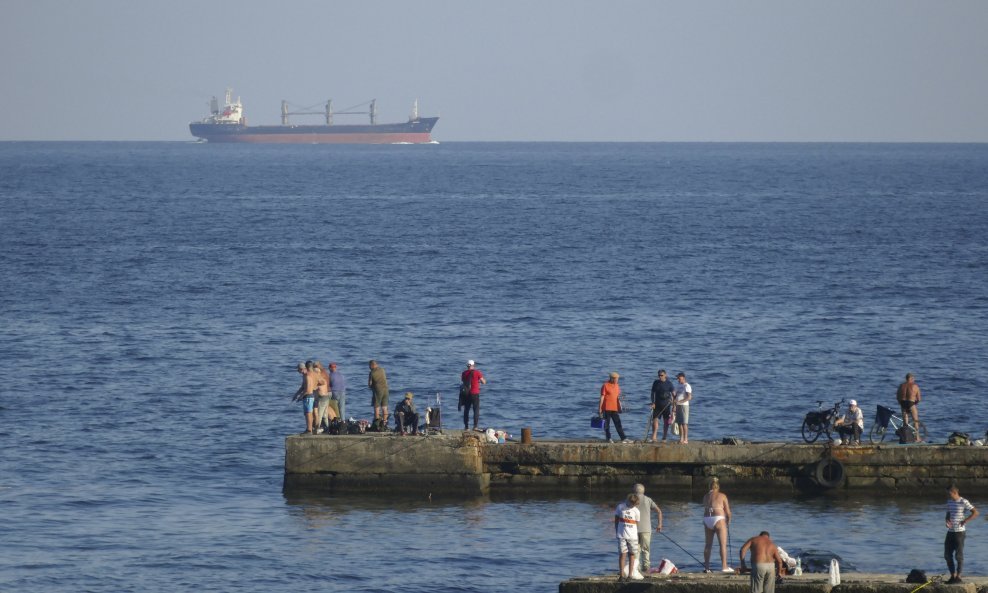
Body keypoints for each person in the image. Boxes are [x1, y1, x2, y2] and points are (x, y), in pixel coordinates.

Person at [944, 484, 979, 584]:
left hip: (960, 532)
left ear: (954, 492)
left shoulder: (964, 501)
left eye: (949, 493)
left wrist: (966, 521)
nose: (948, 495)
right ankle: (952, 576)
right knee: (947, 555)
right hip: (950, 532)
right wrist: (947, 521)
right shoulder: (949, 502)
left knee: (958, 555)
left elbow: (976, 512)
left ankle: (958, 577)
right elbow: (948, 514)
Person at [703, 477, 733, 573]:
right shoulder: (722, 496)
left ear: (710, 486)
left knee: (708, 545)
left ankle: (707, 567)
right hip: (719, 519)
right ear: (718, 486)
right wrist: (729, 520)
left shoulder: (705, 496)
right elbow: (728, 512)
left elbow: (706, 508)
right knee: (723, 545)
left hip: (707, 519)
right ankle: (724, 566)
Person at [633, 483, 663, 575]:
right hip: (646, 529)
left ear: (634, 491)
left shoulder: (632, 499)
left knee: (636, 550)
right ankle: (646, 568)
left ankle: (636, 569)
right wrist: (659, 524)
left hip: (634, 528)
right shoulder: (648, 500)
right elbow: (659, 511)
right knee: (646, 550)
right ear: (643, 491)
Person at [614, 493, 644, 581]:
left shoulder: (636, 511)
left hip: (633, 537)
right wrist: (617, 531)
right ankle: (622, 575)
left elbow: (636, 524)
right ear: (629, 501)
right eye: (633, 503)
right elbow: (616, 519)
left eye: (635, 504)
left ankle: (630, 575)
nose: (633, 505)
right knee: (622, 554)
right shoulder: (620, 507)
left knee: (632, 554)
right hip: (621, 535)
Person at [599, 372, 629, 443]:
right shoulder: (605, 385)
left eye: (617, 379)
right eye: (616, 379)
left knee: (618, 423)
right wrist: (600, 408)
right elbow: (602, 397)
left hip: (615, 408)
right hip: (606, 408)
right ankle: (608, 438)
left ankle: (623, 438)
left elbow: (618, 398)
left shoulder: (617, 386)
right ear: (611, 378)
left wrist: (620, 407)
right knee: (606, 424)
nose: (617, 380)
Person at [291, 361, 319, 435]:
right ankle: (311, 429)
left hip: (308, 397)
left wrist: (301, 396)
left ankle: (309, 430)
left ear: (302, 369)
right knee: (308, 413)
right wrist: (296, 394)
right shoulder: (304, 376)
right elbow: (303, 387)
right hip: (310, 396)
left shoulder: (307, 376)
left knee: (308, 413)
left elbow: (308, 390)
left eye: (298, 370)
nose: (297, 371)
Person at [649, 370, 676, 443]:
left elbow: (674, 395)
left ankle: (664, 437)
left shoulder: (669, 383)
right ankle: (654, 437)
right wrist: (653, 402)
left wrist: (674, 405)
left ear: (665, 375)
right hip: (657, 404)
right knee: (655, 421)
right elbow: (652, 393)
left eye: (661, 375)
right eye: (659, 375)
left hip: (666, 405)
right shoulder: (656, 382)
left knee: (666, 422)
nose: (660, 377)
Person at [461, 360, 487, 430]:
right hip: (475, 393)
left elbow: (463, 381)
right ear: (473, 365)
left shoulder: (464, 373)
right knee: (476, 410)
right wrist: (479, 381)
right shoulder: (477, 372)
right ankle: (475, 426)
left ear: (467, 366)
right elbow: (484, 382)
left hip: (466, 394)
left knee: (466, 410)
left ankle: (466, 427)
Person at [896, 372, 922, 441]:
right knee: (915, 420)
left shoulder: (901, 386)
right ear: (911, 378)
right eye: (913, 379)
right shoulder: (915, 386)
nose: (914, 380)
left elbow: (898, 397)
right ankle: (917, 437)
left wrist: (901, 403)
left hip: (903, 403)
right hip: (911, 403)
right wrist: (914, 404)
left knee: (905, 422)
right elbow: (919, 399)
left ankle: (905, 437)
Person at [312, 361, 333, 433]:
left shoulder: (320, 377)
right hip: (327, 395)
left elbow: (318, 384)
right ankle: (328, 428)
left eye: (315, 367)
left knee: (319, 414)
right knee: (325, 414)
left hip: (323, 397)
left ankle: (317, 428)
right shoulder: (324, 373)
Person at [368, 360, 389, 425]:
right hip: (386, 390)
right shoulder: (382, 370)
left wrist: (371, 387)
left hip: (378, 391)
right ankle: (385, 422)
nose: (369, 367)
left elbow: (369, 384)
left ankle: (377, 422)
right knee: (384, 407)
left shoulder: (372, 372)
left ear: (372, 365)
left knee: (376, 407)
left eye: (369, 366)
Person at [674, 372, 692, 444]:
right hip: (678, 405)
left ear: (683, 378)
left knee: (684, 423)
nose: (678, 379)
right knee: (679, 423)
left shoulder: (687, 386)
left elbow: (689, 397)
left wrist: (681, 401)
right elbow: (675, 395)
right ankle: (681, 439)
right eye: (677, 378)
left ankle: (685, 439)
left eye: (679, 378)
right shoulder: (678, 385)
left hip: (684, 405)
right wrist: (674, 404)